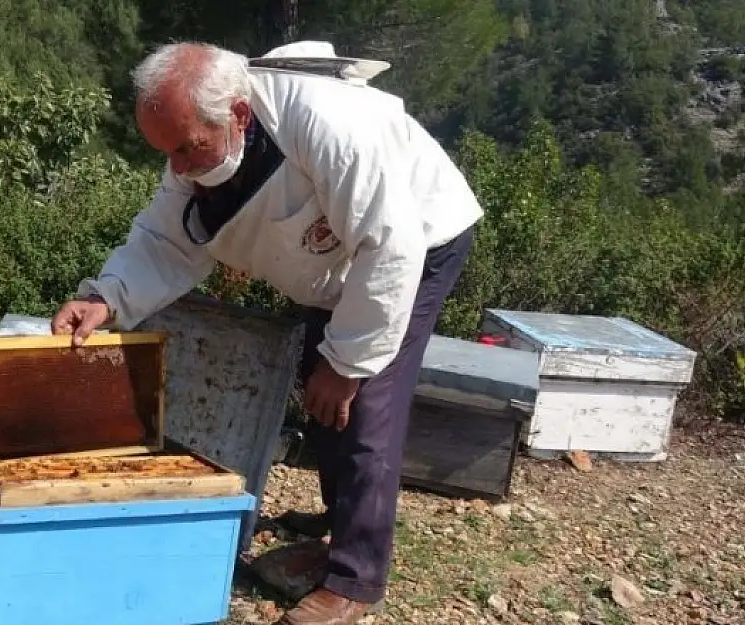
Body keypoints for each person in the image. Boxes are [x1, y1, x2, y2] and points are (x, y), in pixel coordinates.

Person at [50, 40, 483, 625]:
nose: (176, 167)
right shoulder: (202, 134)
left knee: (366, 403)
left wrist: (349, 362)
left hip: (417, 239)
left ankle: (355, 581)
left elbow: (391, 247)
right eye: (166, 152)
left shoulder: (332, 126)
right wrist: (105, 298)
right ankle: (336, 528)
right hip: (341, 264)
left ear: (239, 116)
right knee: (318, 388)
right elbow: (166, 240)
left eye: (186, 149)